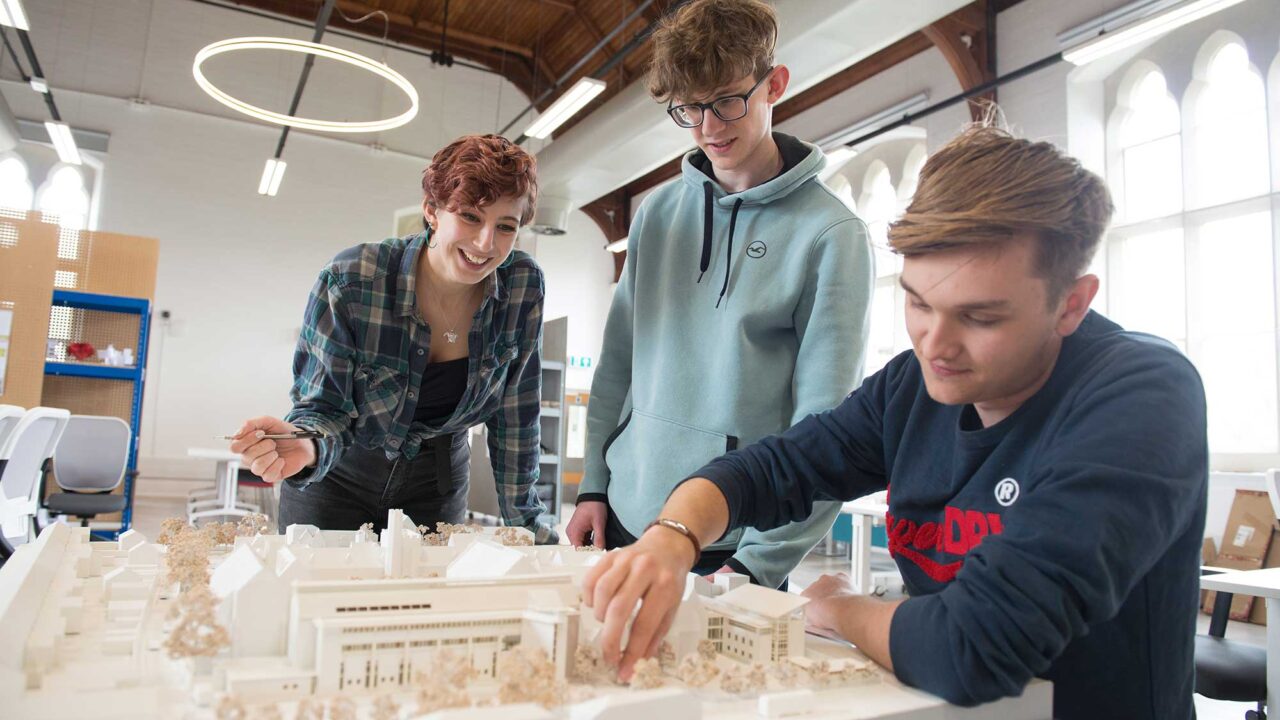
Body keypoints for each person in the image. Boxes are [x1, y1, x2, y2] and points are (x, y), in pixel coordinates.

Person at [581, 123, 1208, 720]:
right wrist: (673, 535)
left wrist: (841, 609)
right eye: (917, 302)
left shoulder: (1142, 395)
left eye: (981, 318)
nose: (936, 345)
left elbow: (973, 647)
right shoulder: (913, 384)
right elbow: (773, 468)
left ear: (1070, 304)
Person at [565, 0, 873, 590]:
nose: (709, 127)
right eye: (688, 109)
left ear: (774, 84)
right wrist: (594, 487)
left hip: (734, 543)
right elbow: (619, 364)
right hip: (627, 516)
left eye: (728, 100)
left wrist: (763, 560)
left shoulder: (832, 236)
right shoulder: (656, 214)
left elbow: (825, 418)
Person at [231, 134, 556, 542]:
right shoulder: (353, 279)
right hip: (339, 479)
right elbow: (324, 405)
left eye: (505, 226)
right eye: (471, 217)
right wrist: (307, 446)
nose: (485, 243)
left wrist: (526, 530)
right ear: (432, 211)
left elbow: (517, 417)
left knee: (422, 602)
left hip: (437, 484)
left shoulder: (522, 286)